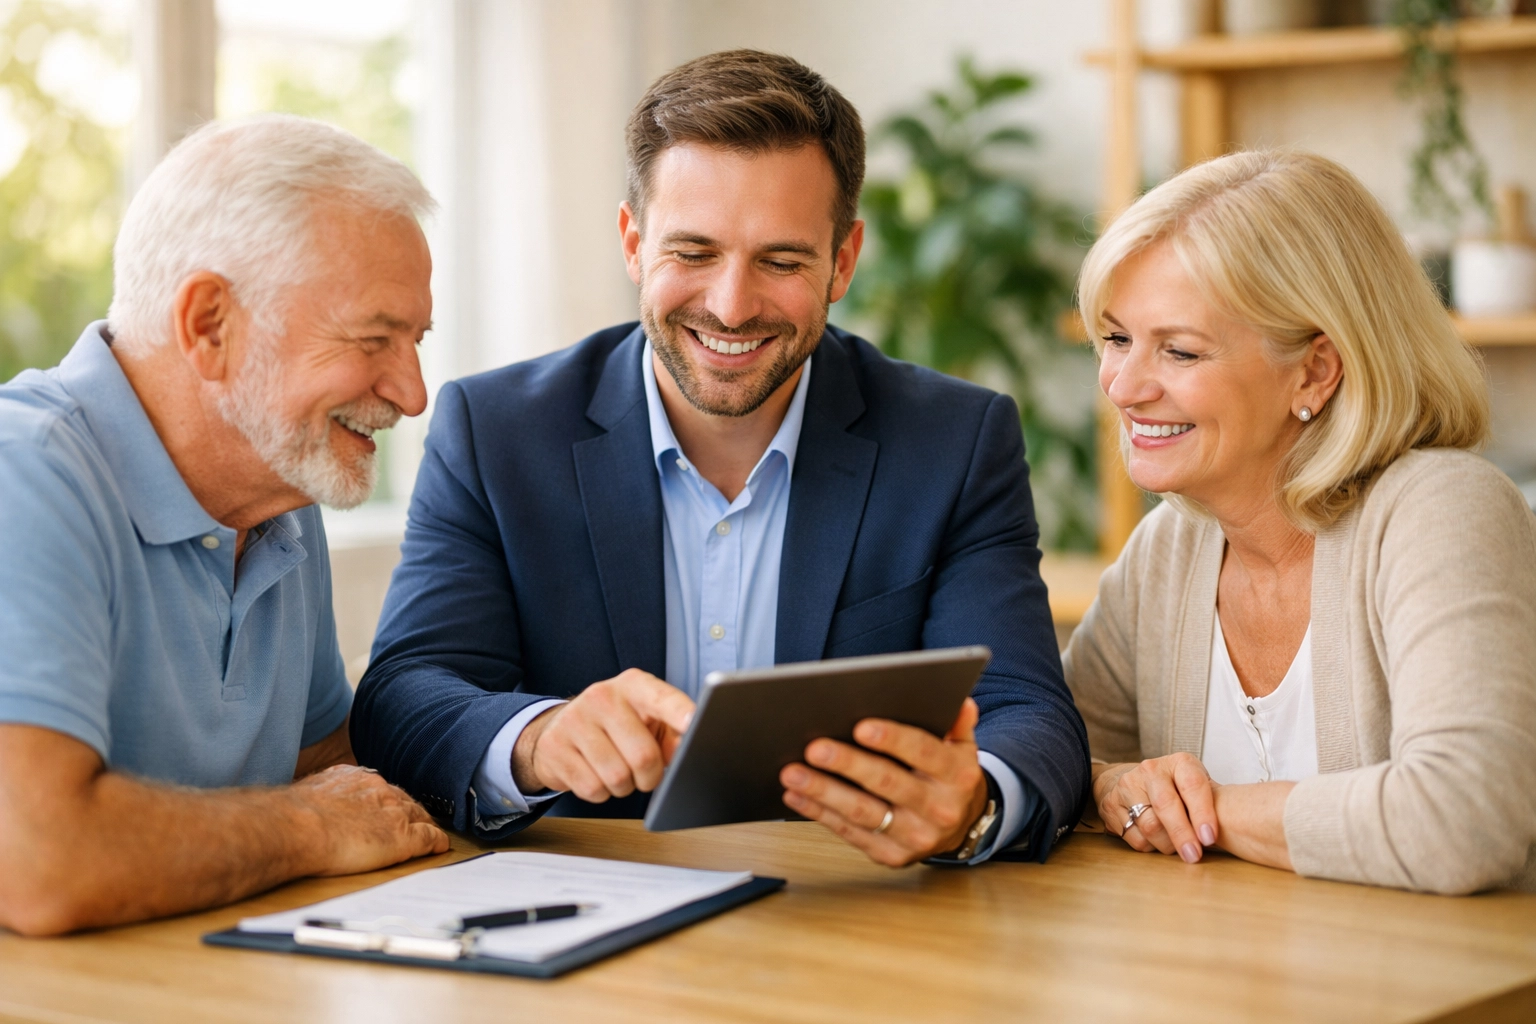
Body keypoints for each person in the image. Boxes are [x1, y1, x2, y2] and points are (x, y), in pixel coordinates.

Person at [352, 50, 1089, 868]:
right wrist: (537, 739)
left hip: (851, 928)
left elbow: (1028, 712)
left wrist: (975, 804)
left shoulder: (955, 440)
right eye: (693, 253)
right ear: (633, 242)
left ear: (843, 260)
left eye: (781, 261)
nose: (731, 306)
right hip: (586, 928)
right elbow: (406, 694)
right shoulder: (494, 433)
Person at [0, 116, 451, 937]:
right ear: (209, 323)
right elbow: (36, 862)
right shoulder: (22, 475)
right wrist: (308, 828)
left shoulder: (280, 491)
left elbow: (335, 775)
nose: (414, 394)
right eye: (373, 338)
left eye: (415, 341)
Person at [1066, 150, 1536, 894]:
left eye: (1180, 350)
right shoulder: (1170, 548)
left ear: (1316, 370)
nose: (1122, 386)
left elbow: (1463, 821)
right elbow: (1055, 757)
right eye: (1118, 338)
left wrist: (1206, 809)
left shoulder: (1442, 510)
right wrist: (1114, 788)